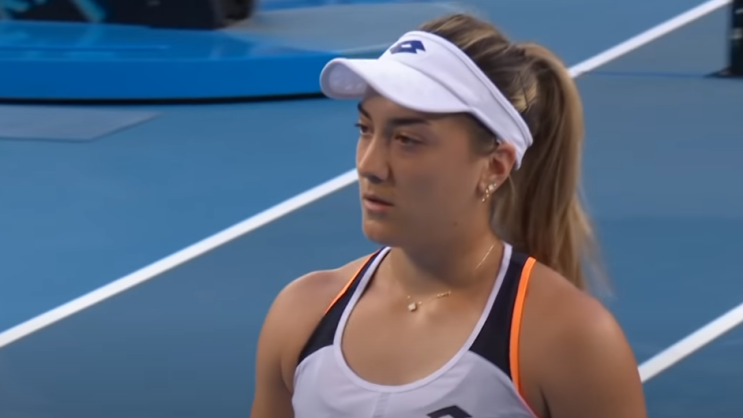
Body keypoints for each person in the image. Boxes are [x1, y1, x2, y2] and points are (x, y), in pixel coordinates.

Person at [250, 13, 647, 418]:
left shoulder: (570, 341)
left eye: (407, 139)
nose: (370, 165)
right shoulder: (301, 314)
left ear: (495, 166)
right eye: (365, 129)